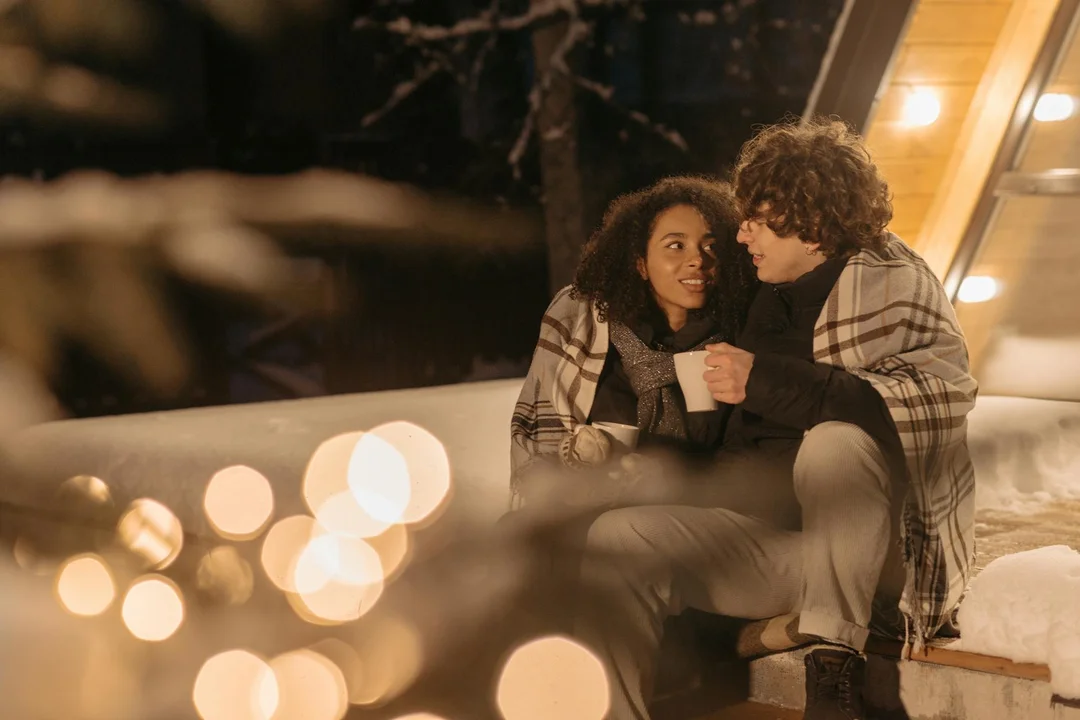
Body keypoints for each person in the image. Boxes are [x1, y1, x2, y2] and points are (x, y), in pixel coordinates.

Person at [573, 118, 978, 720]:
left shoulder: (894, 285)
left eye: (758, 220)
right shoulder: (763, 292)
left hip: (870, 562)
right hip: (775, 550)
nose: (743, 235)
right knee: (617, 536)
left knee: (835, 443)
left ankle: (834, 677)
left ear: (810, 225)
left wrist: (761, 379)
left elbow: (925, 403)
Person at [509, 175, 757, 512]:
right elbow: (540, 443)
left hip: (697, 520)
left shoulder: (737, 342)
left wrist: (674, 475)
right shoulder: (589, 329)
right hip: (588, 515)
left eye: (711, 246)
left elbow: (749, 460)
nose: (698, 259)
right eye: (676, 245)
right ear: (640, 263)